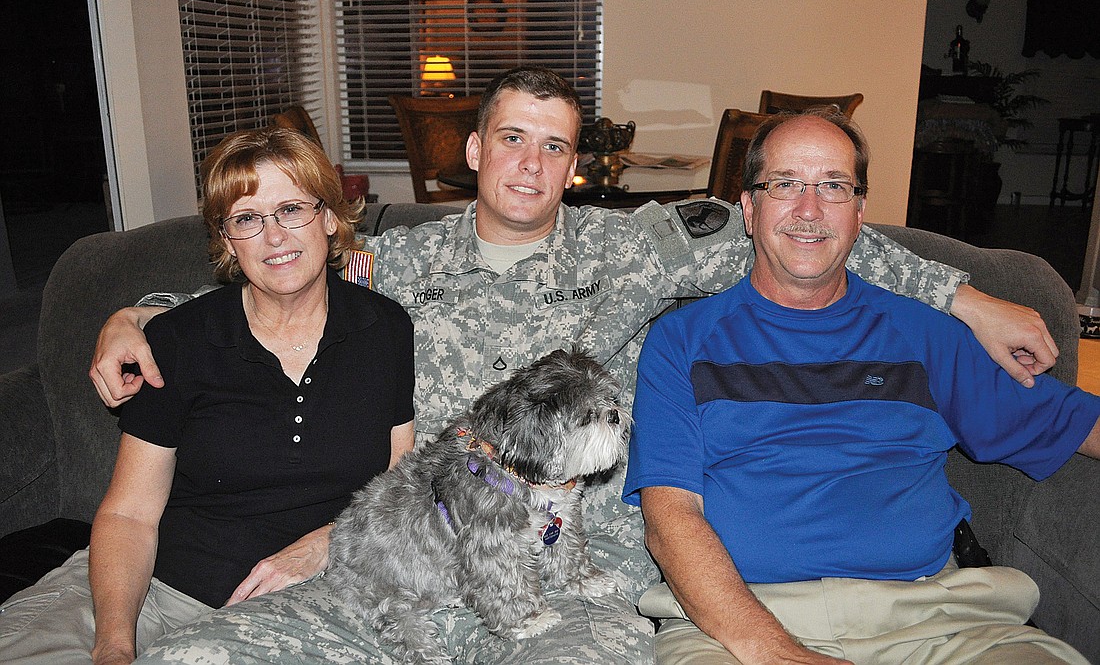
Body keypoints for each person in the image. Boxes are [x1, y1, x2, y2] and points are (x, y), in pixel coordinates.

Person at [91, 68, 1055, 664]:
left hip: (577, 568)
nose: (529, 164)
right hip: (428, 556)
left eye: (554, 146)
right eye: (511, 138)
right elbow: (269, 278)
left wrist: (967, 295)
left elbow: (809, 226)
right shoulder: (395, 261)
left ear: (575, 167)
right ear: (473, 150)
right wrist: (141, 314)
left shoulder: (634, 250)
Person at [623, 109, 1100, 665]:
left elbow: (1066, 420)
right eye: (785, 185)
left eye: (833, 186)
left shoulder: (924, 333)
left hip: (938, 621)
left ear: (858, 213)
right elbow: (669, 518)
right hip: (736, 628)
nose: (810, 209)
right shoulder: (681, 341)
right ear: (749, 211)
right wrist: (778, 653)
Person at [0, 128, 415, 665]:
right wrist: (113, 645)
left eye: (292, 209)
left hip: (303, 603)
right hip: (154, 589)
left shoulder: (383, 330)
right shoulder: (179, 341)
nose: (274, 236)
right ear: (226, 239)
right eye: (247, 219)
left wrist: (327, 544)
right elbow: (129, 516)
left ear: (330, 218)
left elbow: (400, 490)